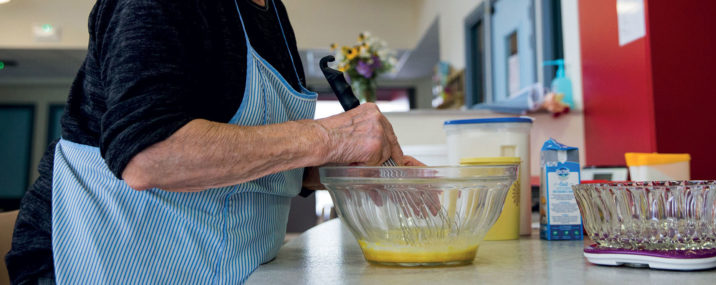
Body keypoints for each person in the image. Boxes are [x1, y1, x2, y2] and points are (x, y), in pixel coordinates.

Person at [5, 0, 421, 283]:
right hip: (101, 262)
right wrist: (328, 137)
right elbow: (148, 154)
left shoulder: (272, 12)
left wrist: (344, 171)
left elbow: (256, 154)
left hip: (234, 265)